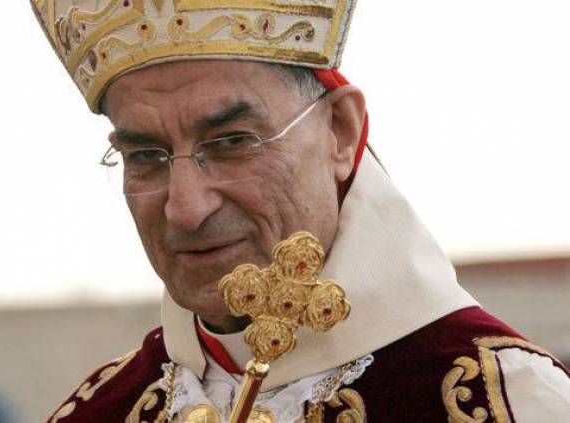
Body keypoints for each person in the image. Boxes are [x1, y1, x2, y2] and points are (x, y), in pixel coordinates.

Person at [30, 1, 570, 421]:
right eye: (146, 156)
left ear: (341, 131)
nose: (185, 209)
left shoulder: (515, 402)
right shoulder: (98, 411)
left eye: (233, 141)